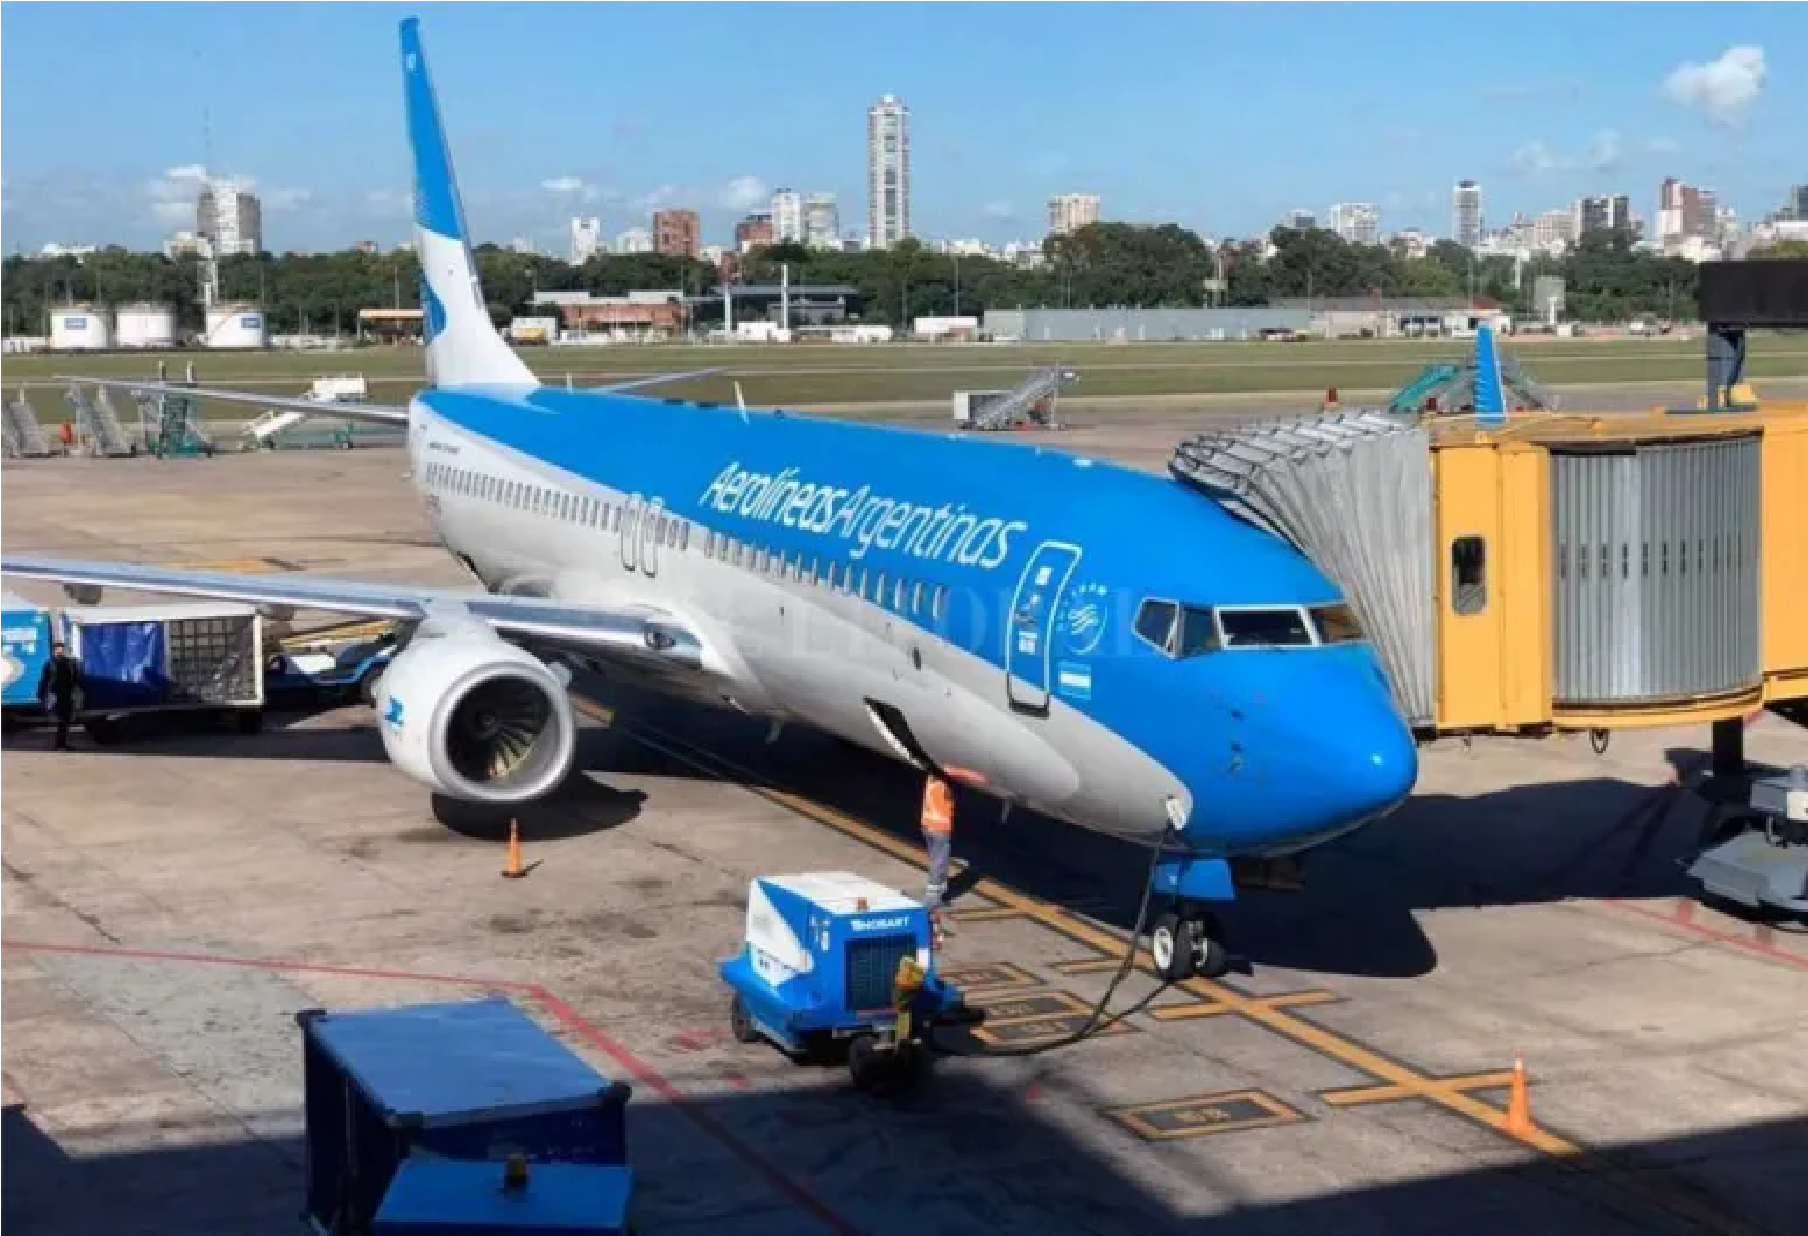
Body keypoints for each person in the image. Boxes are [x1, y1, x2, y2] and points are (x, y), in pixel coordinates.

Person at [920, 774, 955, 935]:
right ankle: (932, 899)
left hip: (927, 826)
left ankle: (940, 894)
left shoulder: (931, 779)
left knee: (937, 860)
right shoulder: (944, 785)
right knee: (939, 862)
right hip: (940, 829)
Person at [37, 640, 84, 750]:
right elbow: (45, 679)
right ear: (54, 651)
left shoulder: (70, 663)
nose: (59, 650)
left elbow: (77, 678)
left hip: (67, 695)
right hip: (56, 695)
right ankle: (60, 744)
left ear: (64, 650)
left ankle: (61, 744)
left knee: (65, 720)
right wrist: (40, 693)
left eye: (61, 648)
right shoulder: (49, 664)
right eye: (57, 649)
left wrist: (80, 689)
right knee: (60, 720)